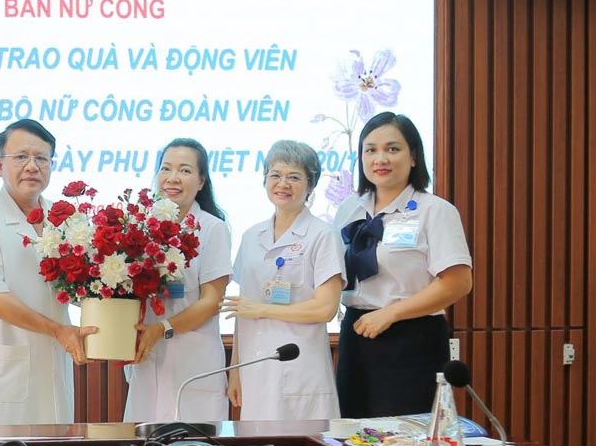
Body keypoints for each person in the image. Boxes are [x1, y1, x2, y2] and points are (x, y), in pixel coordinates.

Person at [0, 119, 95, 425]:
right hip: (4, 373)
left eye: (41, 158)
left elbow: (83, 287)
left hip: (54, 364)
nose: (32, 166)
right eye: (20, 157)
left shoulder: (65, 219)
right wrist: (58, 330)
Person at [334, 112, 473, 417]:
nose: (380, 158)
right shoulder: (348, 208)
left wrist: (391, 313)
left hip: (412, 338)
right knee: (352, 438)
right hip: (356, 335)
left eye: (392, 149)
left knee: (404, 444)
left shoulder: (434, 210)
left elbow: (458, 282)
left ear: (413, 157)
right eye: (370, 150)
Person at [222, 140, 345, 420]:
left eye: (294, 177)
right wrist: (235, 371)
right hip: (255, 368)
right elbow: (243, 311)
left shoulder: (322, 235)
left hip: (301, 368)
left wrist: (264, 309)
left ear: (310, 185)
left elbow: (324, 309)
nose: (283, 184)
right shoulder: (251, 237)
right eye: (275, 175)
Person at [124, 138, 233, 423]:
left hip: (192, 362)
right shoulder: (139, 225)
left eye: (185, 171)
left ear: (200, 181)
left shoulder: (212, 229)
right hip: (147, 359)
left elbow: (211, 301)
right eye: (166, 169)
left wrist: (162, 329)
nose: (173, 178)